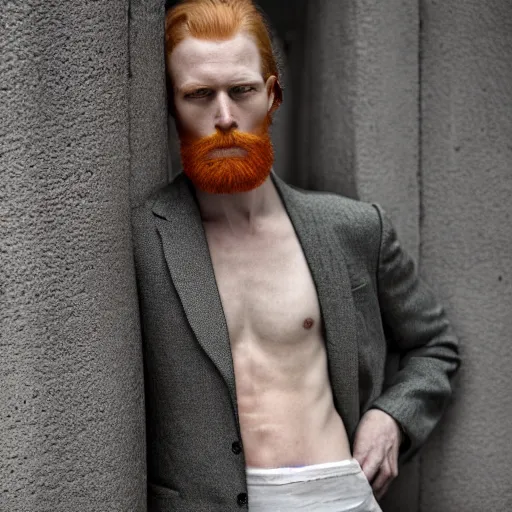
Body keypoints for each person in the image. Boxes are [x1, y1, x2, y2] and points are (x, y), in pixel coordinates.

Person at [132, 0, 461, 510]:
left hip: (339, 496)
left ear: (271, 94)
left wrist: (392, 417)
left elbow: (435, 344)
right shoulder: (144, 240)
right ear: (172, 107)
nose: (224, 117)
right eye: (199, 95)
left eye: (241, 90)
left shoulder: (351, 229)